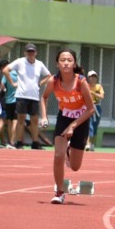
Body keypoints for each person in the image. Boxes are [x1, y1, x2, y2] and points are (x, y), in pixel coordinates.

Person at [39, 49, 95, 204]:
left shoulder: (81, 82)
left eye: (69, 60)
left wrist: (74, 126)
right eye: (62, 60)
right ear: (57, 63)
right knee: (58, 156)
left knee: (75, 167)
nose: (66, 63)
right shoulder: (53, 81)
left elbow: (91, 109)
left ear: (74, 63)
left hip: (81, 120)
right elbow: (44, 97)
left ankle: (70, 150)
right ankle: (59, 192)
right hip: (64, 118)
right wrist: (44, 116)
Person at [3, 43, 51, 149]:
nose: (30, 53)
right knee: (21, 119)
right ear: (25, 52)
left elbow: (48, 75)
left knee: (34, 120)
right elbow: (6, 70)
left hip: (34, 96)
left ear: (36, 53)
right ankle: (19, 142)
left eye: (32, 51)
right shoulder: (20, 61)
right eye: (28, 51)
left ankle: (35, 143)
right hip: (22, 95)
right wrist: (12, 83)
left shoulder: (39, 64)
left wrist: (40, 83)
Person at [86, 71, 104, 151]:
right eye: (91, 77)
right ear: (88, 78)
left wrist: (93, 93)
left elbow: (102, 96)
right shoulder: (85, 86)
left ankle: (92, 144)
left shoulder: (99, 86)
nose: (93, 78)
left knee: (95, 126)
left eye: (94, 77)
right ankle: (88, 144)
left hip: (97, 107)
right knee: (89, 126)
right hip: (88, 107)